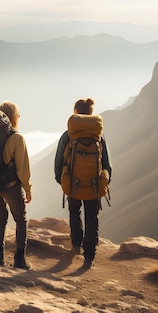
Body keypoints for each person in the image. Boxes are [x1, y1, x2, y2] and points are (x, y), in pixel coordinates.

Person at [54, 97, 112, 268]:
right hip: (94, 183)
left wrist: (60, 178)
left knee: (74, 211)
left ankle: (76, 242)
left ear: (76, 113)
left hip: (72, 182)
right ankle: (89, 253)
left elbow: (58, 160)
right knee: (92, 215)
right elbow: (107, 163)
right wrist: (106, 180)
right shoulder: (98, 136)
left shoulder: (68, 135)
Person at [0, 101, 32, 269]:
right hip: (10, 186)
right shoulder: (17, 138)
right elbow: (23, 168)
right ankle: (19, 259)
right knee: (20, 219)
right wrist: (27, 189)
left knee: (1, 217)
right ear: (14, 118)